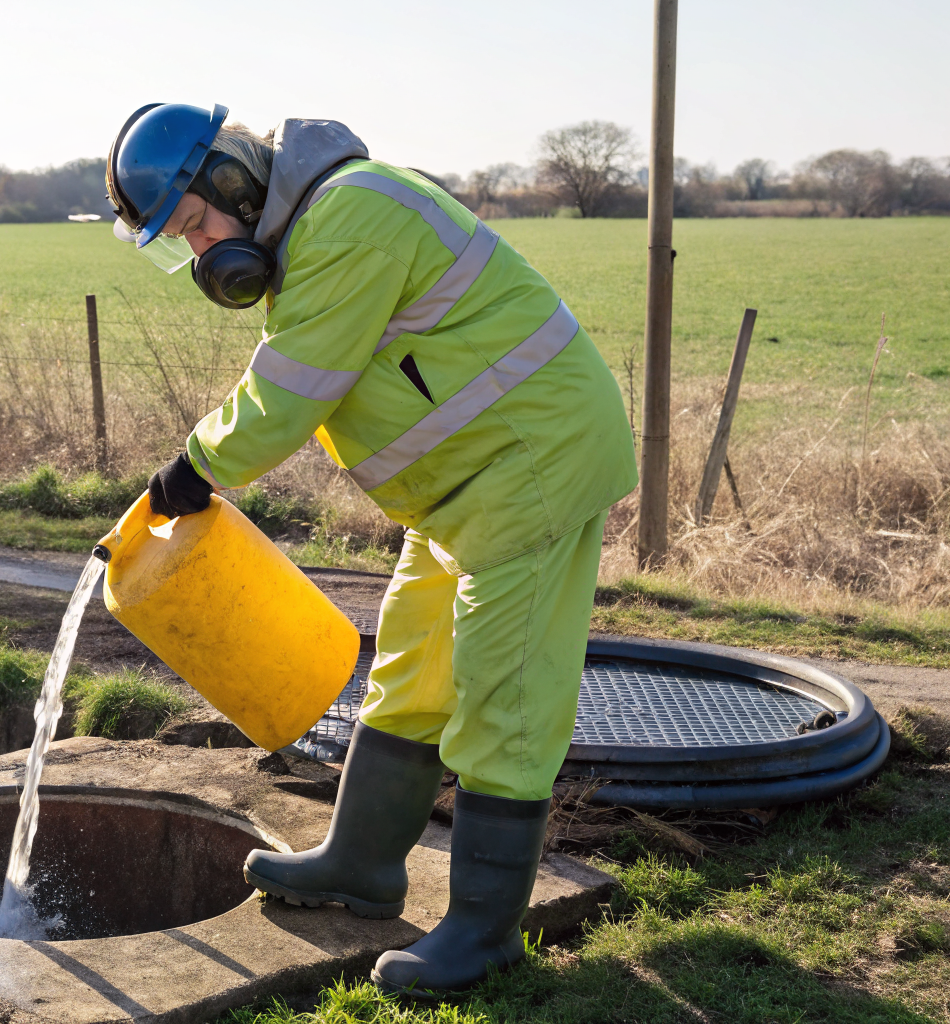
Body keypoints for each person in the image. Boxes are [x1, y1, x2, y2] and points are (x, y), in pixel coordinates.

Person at [106, 103, 637, 996]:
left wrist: (195, 468)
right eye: (183, 246)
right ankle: (360, 864)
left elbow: (293, 382)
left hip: (532, 465)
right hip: (465, 489)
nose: (203, 257)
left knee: (502, 692)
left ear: (234, 179)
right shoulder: (318, 229)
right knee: (411, 668)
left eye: (198, 227)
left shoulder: (355, 215)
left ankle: (484, 930)